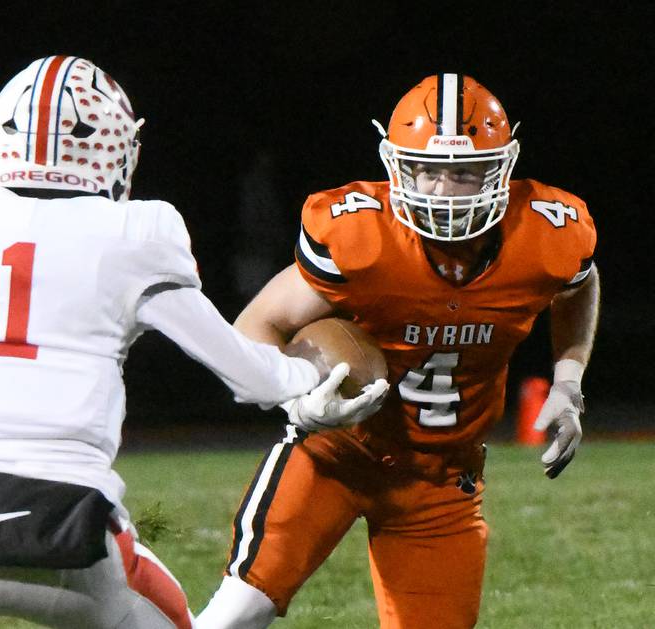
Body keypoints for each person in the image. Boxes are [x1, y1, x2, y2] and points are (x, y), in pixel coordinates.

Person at [0, 56, 387, 629]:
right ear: (115, 147)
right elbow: (249, 374)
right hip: (75, 541)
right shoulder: (136, 235)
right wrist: (312, 383)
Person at [196, 73, 600, 629]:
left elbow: (579, 284)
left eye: (463, 171)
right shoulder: (362, 236)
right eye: (426, 169)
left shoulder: (548, 235)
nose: (441, 189)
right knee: (237, 613)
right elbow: (256, 324)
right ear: (397, 166)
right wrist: (294, 400)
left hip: (441, 482)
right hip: (334, 456)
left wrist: (567, 381)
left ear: (502, 169)